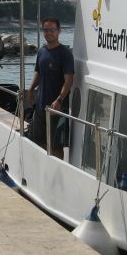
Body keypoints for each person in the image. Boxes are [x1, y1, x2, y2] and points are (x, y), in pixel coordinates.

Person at [27, 17, 74, 158]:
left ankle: (58, 174)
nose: (49, 33)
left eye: (52, 30)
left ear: (59, 31)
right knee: (38, 141)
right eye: (46, 30)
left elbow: (69, 81)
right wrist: (30, 90)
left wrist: (59, 100)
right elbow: (39, 73)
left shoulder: (65, 54)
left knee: (56, 146)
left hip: (57, 109)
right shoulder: (42, 51)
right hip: (40, 106)